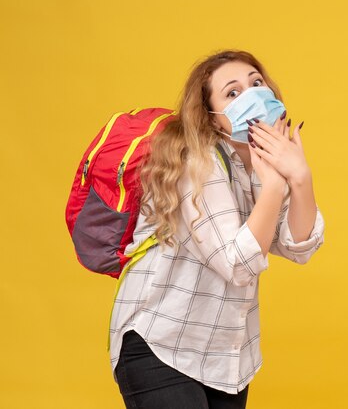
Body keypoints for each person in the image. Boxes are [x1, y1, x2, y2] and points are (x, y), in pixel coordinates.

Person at [108, 49, 326, 409]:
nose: (252, 94)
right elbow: (237, 264)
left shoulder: (259, 162)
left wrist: (300, 177)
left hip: (226, 358)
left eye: (257, 83)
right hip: (162, 344)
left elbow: (298, 246)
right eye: (233, 92)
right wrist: (274, 186)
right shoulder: (195, 160)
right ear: (211, 117)